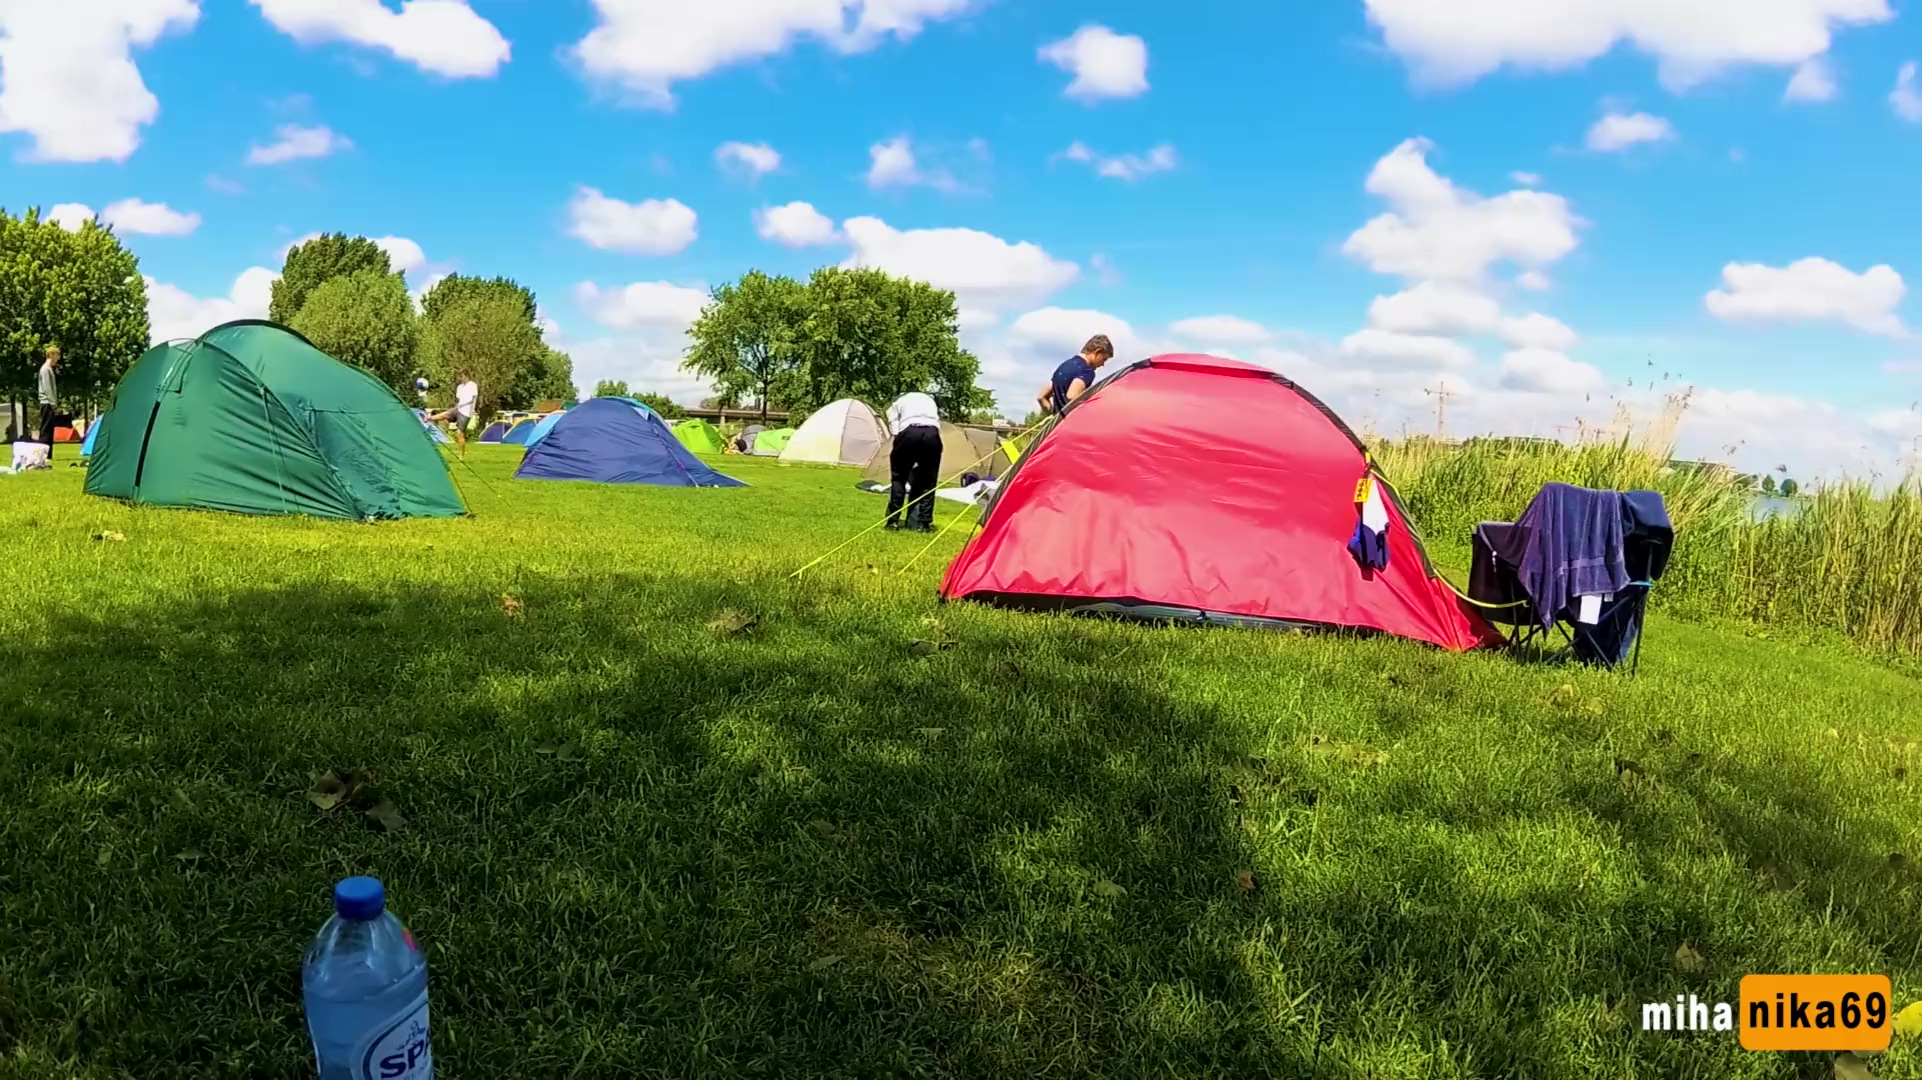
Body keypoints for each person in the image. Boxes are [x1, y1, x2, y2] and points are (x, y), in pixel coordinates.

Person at [884, 389, 943, 532]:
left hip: (909, 431)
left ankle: (893, 521)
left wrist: (899, 446)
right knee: (929, 482)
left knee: (899, 478)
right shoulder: (930, 401)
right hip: (932, 434)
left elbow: (894, 429)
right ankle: (923, 523)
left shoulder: (897, 403)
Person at [1036, 334, 1114, 417]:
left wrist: (1054, 418)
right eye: (1104, 359)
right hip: (1071, 426)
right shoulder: (1086, 371)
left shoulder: (1063, 366)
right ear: (1097, 352)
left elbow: (1041, 397)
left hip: (1058, 427)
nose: (1102, 364)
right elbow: (1072, 396)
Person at [426, 370, 479, 460]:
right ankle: (429, 418)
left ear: (466, 376)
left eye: (461, 376)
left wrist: (461, 405)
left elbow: (471, 399)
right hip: (458, 409)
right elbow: (459, 399)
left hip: (466, 412)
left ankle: (461, 455)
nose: (460, 378)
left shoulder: (472, 385)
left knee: (459, 433)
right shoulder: (459, 387)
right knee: (446, 414)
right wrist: (457, 407)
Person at [36, 345, 59, 458]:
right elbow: (47, 388)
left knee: (50, 430)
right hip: (46, 403)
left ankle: (48, 454)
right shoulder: (45, 369)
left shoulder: (49, 369)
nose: (57, 359)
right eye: (56, 356)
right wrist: (53, 402)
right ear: (51, 355)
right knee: (45, 429)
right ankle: (43, 454)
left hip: (49, 403)